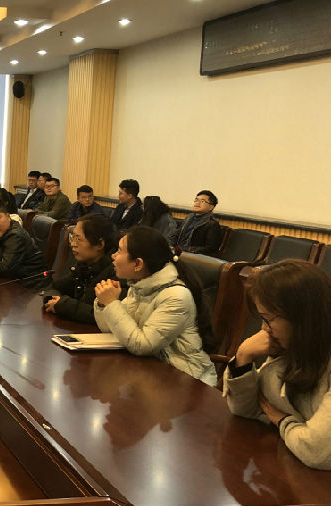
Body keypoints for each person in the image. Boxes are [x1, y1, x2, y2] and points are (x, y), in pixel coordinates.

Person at [223, 260, 330, 470]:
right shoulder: (291, 348)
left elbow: (317, 452)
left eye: (267, 319)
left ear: (301, 318)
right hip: (295, 468)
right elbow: (248, 408)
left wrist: (282, 421)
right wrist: (243, 356)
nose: (264, 329)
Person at [93, 226, 217, 386]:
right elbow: (110, 328)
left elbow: (142, 345)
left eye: (119, 251)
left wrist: (112, 303)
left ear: (138, 263)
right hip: (151, 372)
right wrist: (104, 303)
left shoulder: (176, 296)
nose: (113, 256)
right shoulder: (140, 286)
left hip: (186, 380)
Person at [44, 214, 126, 324]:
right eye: (72, 237)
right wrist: (54, 301)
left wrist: (64, 305)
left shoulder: (118, 272)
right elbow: (53, 287)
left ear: (100, 244)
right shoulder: (83, 265)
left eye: (78, 239)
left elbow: (105, 316)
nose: (73, 244)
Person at [172, 190, 223, 255]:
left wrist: (187, 249)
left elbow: (211, 248)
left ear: (211, 207)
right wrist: (170, 245)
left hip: (193, 255)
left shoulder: (212, 224)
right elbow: (176, 235)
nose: (197, 203)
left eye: (202, 201)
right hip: (178, 251)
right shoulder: (189, 217)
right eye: (196, 200)